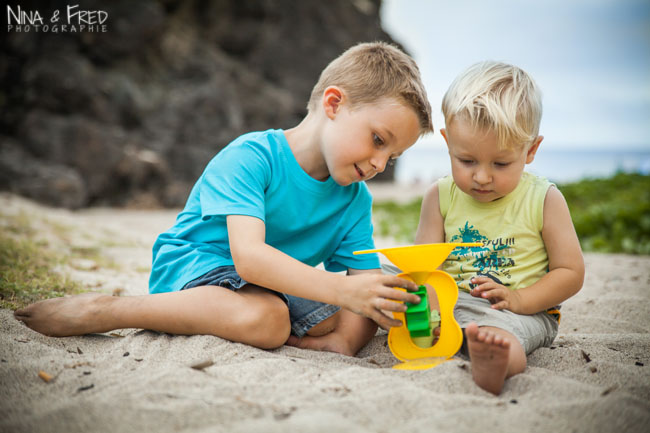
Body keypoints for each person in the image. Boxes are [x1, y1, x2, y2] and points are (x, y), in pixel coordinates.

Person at [14, 42, 434, 357]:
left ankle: (291, 318)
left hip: (269, 287)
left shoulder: (353, 199)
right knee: (270, 321)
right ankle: (109, 310)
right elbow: (249, 257)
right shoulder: (253, 156)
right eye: (378, 140)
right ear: (334, 104)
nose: (381, 163)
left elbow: (361, 288)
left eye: (392, 156)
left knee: (369, 290)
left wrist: (345, 339)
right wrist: (344, 294)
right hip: (199, 265)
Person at [415, 61, 584, 394]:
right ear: (448, 141)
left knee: (502, 337)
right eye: (467, 161)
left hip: (521, 312)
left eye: (501, 164)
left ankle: (496, 361)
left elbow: (570, 271)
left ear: (531, 150)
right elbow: (425, 266)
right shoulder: (439, 195)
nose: (481, 176)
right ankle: (440, 335)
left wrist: (520, 298)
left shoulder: (544, 199)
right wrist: (425, 300)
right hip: (454, 302)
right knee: (387, 277)